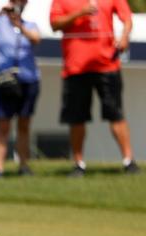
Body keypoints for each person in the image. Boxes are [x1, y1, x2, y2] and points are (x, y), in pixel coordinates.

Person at [50, 0, 138, 176]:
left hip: (107, 65)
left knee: (116, 114)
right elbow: (54, 24)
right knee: (76, 118)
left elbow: (127, 18)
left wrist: (125, 36)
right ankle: (78, 164)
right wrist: (80, 13)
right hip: (75, 67)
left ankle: (129, 162)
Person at [0, 1, 41, 177]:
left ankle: (23, 166)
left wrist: (19, 25)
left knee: (24, 124)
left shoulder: (30, 25)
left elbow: (36, 39)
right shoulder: (0, 22)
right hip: (4, 79)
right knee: (3, 124)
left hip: (27, 79)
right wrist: (0, 13)